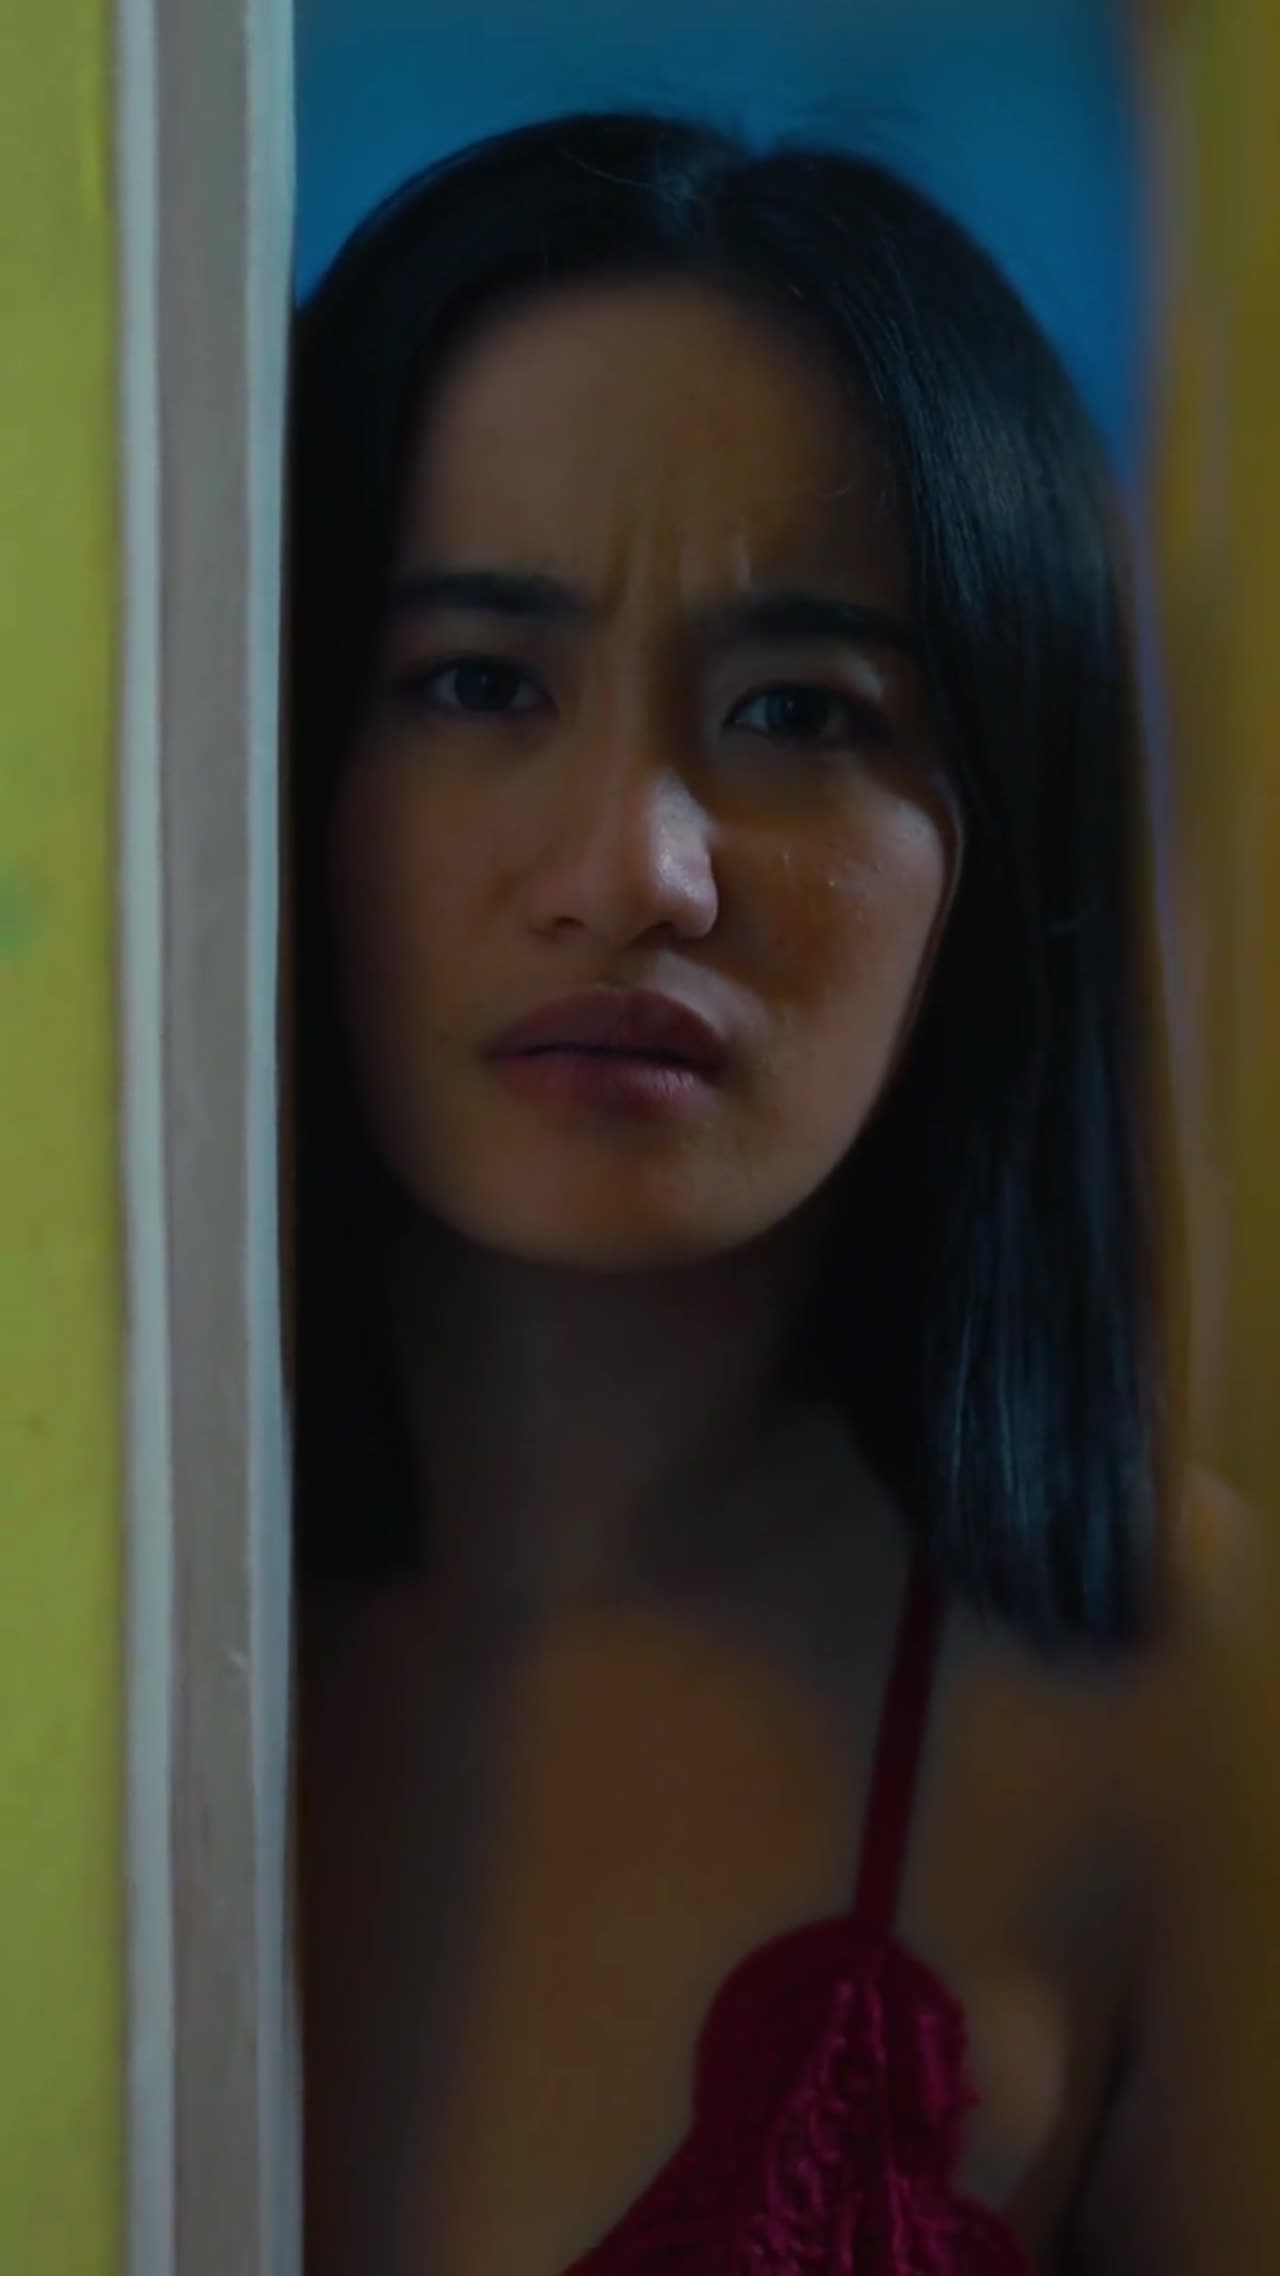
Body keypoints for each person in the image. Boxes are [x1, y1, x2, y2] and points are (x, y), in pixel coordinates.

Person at [289, 109, 1199, 2274]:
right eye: (477, 683)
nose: (636, 868)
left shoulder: (1178, 1700)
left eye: (800, 709)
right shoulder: (65, 1618)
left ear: (999, 841)